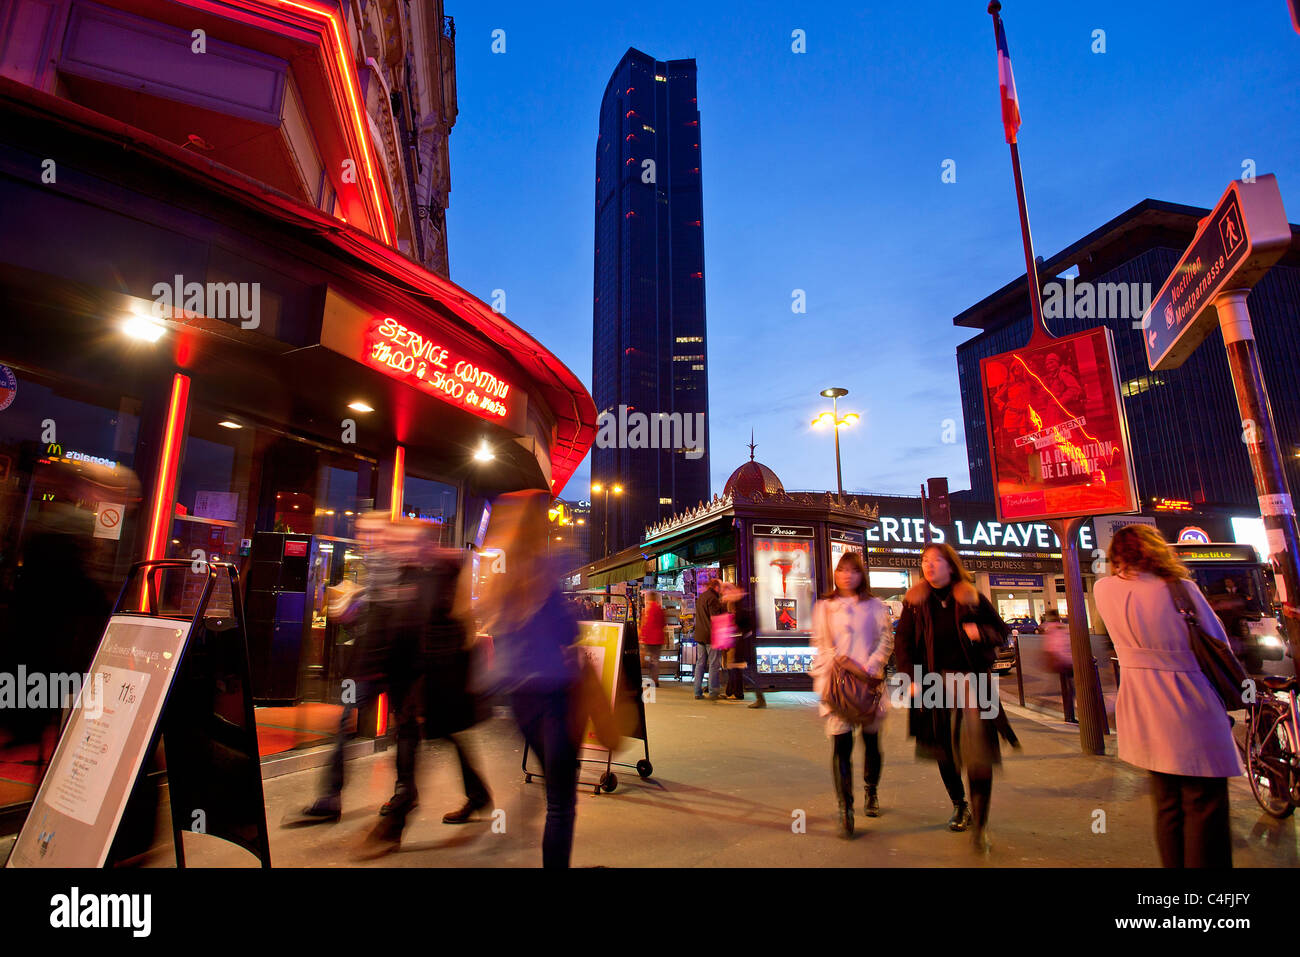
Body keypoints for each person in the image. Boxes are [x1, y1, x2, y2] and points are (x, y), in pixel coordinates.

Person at [1094, 524, 1242, 868]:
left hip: (1140, 704)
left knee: (1167, 803)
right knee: (1204, 802)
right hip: (1188, 700)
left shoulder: (1104, 590)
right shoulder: (1180, 589)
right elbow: (1216, 640)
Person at [479, 490, 581, 868]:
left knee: (551, 788)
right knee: (560, 802)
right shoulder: (547, 569)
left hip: (521, 700)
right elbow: (568, 631)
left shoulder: (499, 576)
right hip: (556, 696)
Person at [894, 543, 1010, 852]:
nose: (929, 566)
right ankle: (960, 804)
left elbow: (1002, 631)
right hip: (932, 684)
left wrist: (979, 633)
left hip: (972, 684)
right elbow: (902, 642)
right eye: (925, 561)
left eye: (936, 561)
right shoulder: (915, 602)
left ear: (950, 565)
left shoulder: (971, 597)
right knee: (943, 751)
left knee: (978, 755)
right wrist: (909, 678)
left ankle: (981, 825)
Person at [809, 552, 893, 836]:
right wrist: (835, 668)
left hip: (869, 684)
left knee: (871, 742)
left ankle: (871, 789)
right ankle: (845, 807)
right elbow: (820, 644)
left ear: (861, 575)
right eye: (842, 570)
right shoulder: (825, 606)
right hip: (837, 685)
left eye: (853, 571)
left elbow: (886, 639)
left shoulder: (876, 606)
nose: (847, 576)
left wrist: (870, 666)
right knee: (841, 746)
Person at [1040, 608, 1076, 722]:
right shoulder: (1057, 628)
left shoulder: (1050, 628)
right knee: (1069, 688)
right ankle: (1069, 715)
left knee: (1062, 687)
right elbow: (1057, 646)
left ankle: (1068, 714)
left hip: (1060, 660)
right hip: (1063, 661)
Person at [693, 577, 724, 700]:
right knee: (713, 664)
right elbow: (715, 618)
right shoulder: (713, 598)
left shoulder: (702, 596)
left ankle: (697, 691)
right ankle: (713, 692)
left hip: (700, 635)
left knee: (700, 663)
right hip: (710, 636)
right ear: (716, 587)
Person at [639, 591, 666, 687]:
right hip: (658, 639)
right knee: (655, 659)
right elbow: (663, 623)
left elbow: (647, 625)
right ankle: (655, 679)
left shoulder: (648, 610)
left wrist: (642, 636)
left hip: (649, 639)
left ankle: (652, 679)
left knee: (650, 659)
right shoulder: (659, 609)